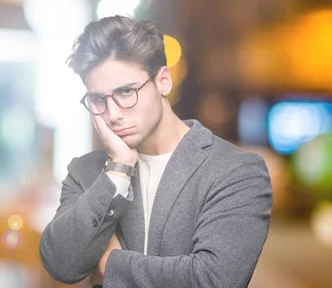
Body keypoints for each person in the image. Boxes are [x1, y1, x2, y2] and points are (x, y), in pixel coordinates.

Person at [39, 16, 272, 288]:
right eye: (98, 99)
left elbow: (214, 279)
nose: (112, 115)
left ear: (163, 81)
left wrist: (110, 264)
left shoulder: (235, 171)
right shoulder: (86, 171)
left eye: (126, 92)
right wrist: (117, 172)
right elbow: (60, 263)